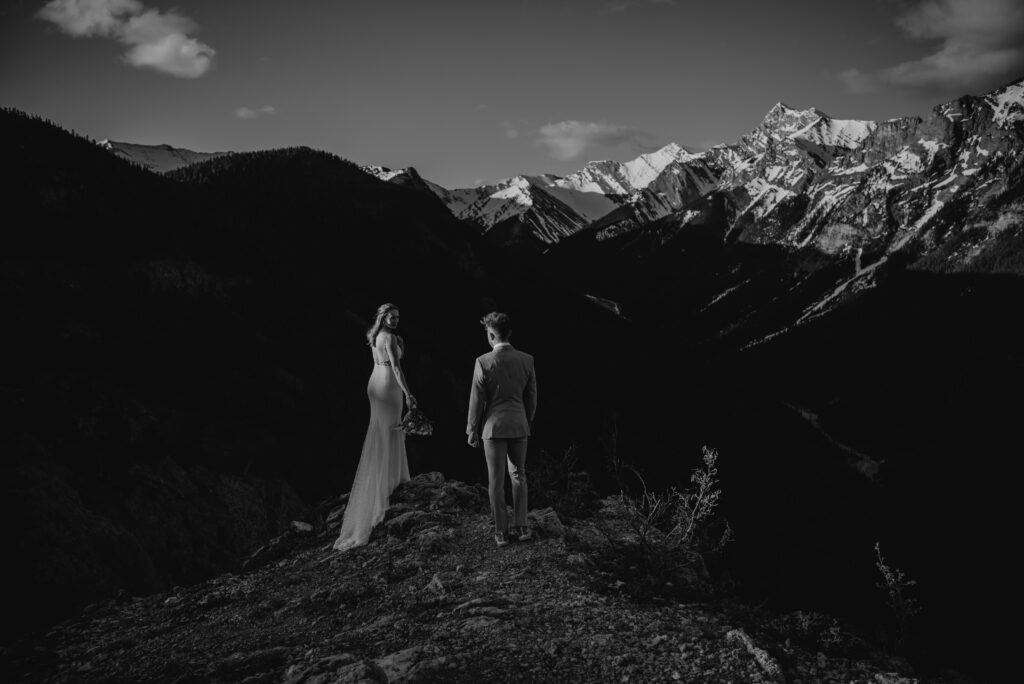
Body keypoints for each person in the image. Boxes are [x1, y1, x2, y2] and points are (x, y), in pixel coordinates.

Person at [334, 303, 416, 551]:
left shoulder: (375, 336)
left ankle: (384, 478)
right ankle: (388, 481)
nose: (395, 320)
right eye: (391, 317)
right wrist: (409, 395)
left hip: (374, 383)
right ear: (383, 317)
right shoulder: (389, 338)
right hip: (389, 385)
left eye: (398, 317)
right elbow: (398, 370)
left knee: (381, 431)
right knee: (391, 430)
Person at [467, 312, 537, 547]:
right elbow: (532, 398)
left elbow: (476, 400)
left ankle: (502, 532)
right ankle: (521, 525)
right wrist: (525, 420)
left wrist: (472, 429)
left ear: (491, 334)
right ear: (509, 333)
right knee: (519, 475)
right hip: (519, 425)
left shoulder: (483, 361)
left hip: (492, 428)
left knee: (495, 481)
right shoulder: (527, 359)